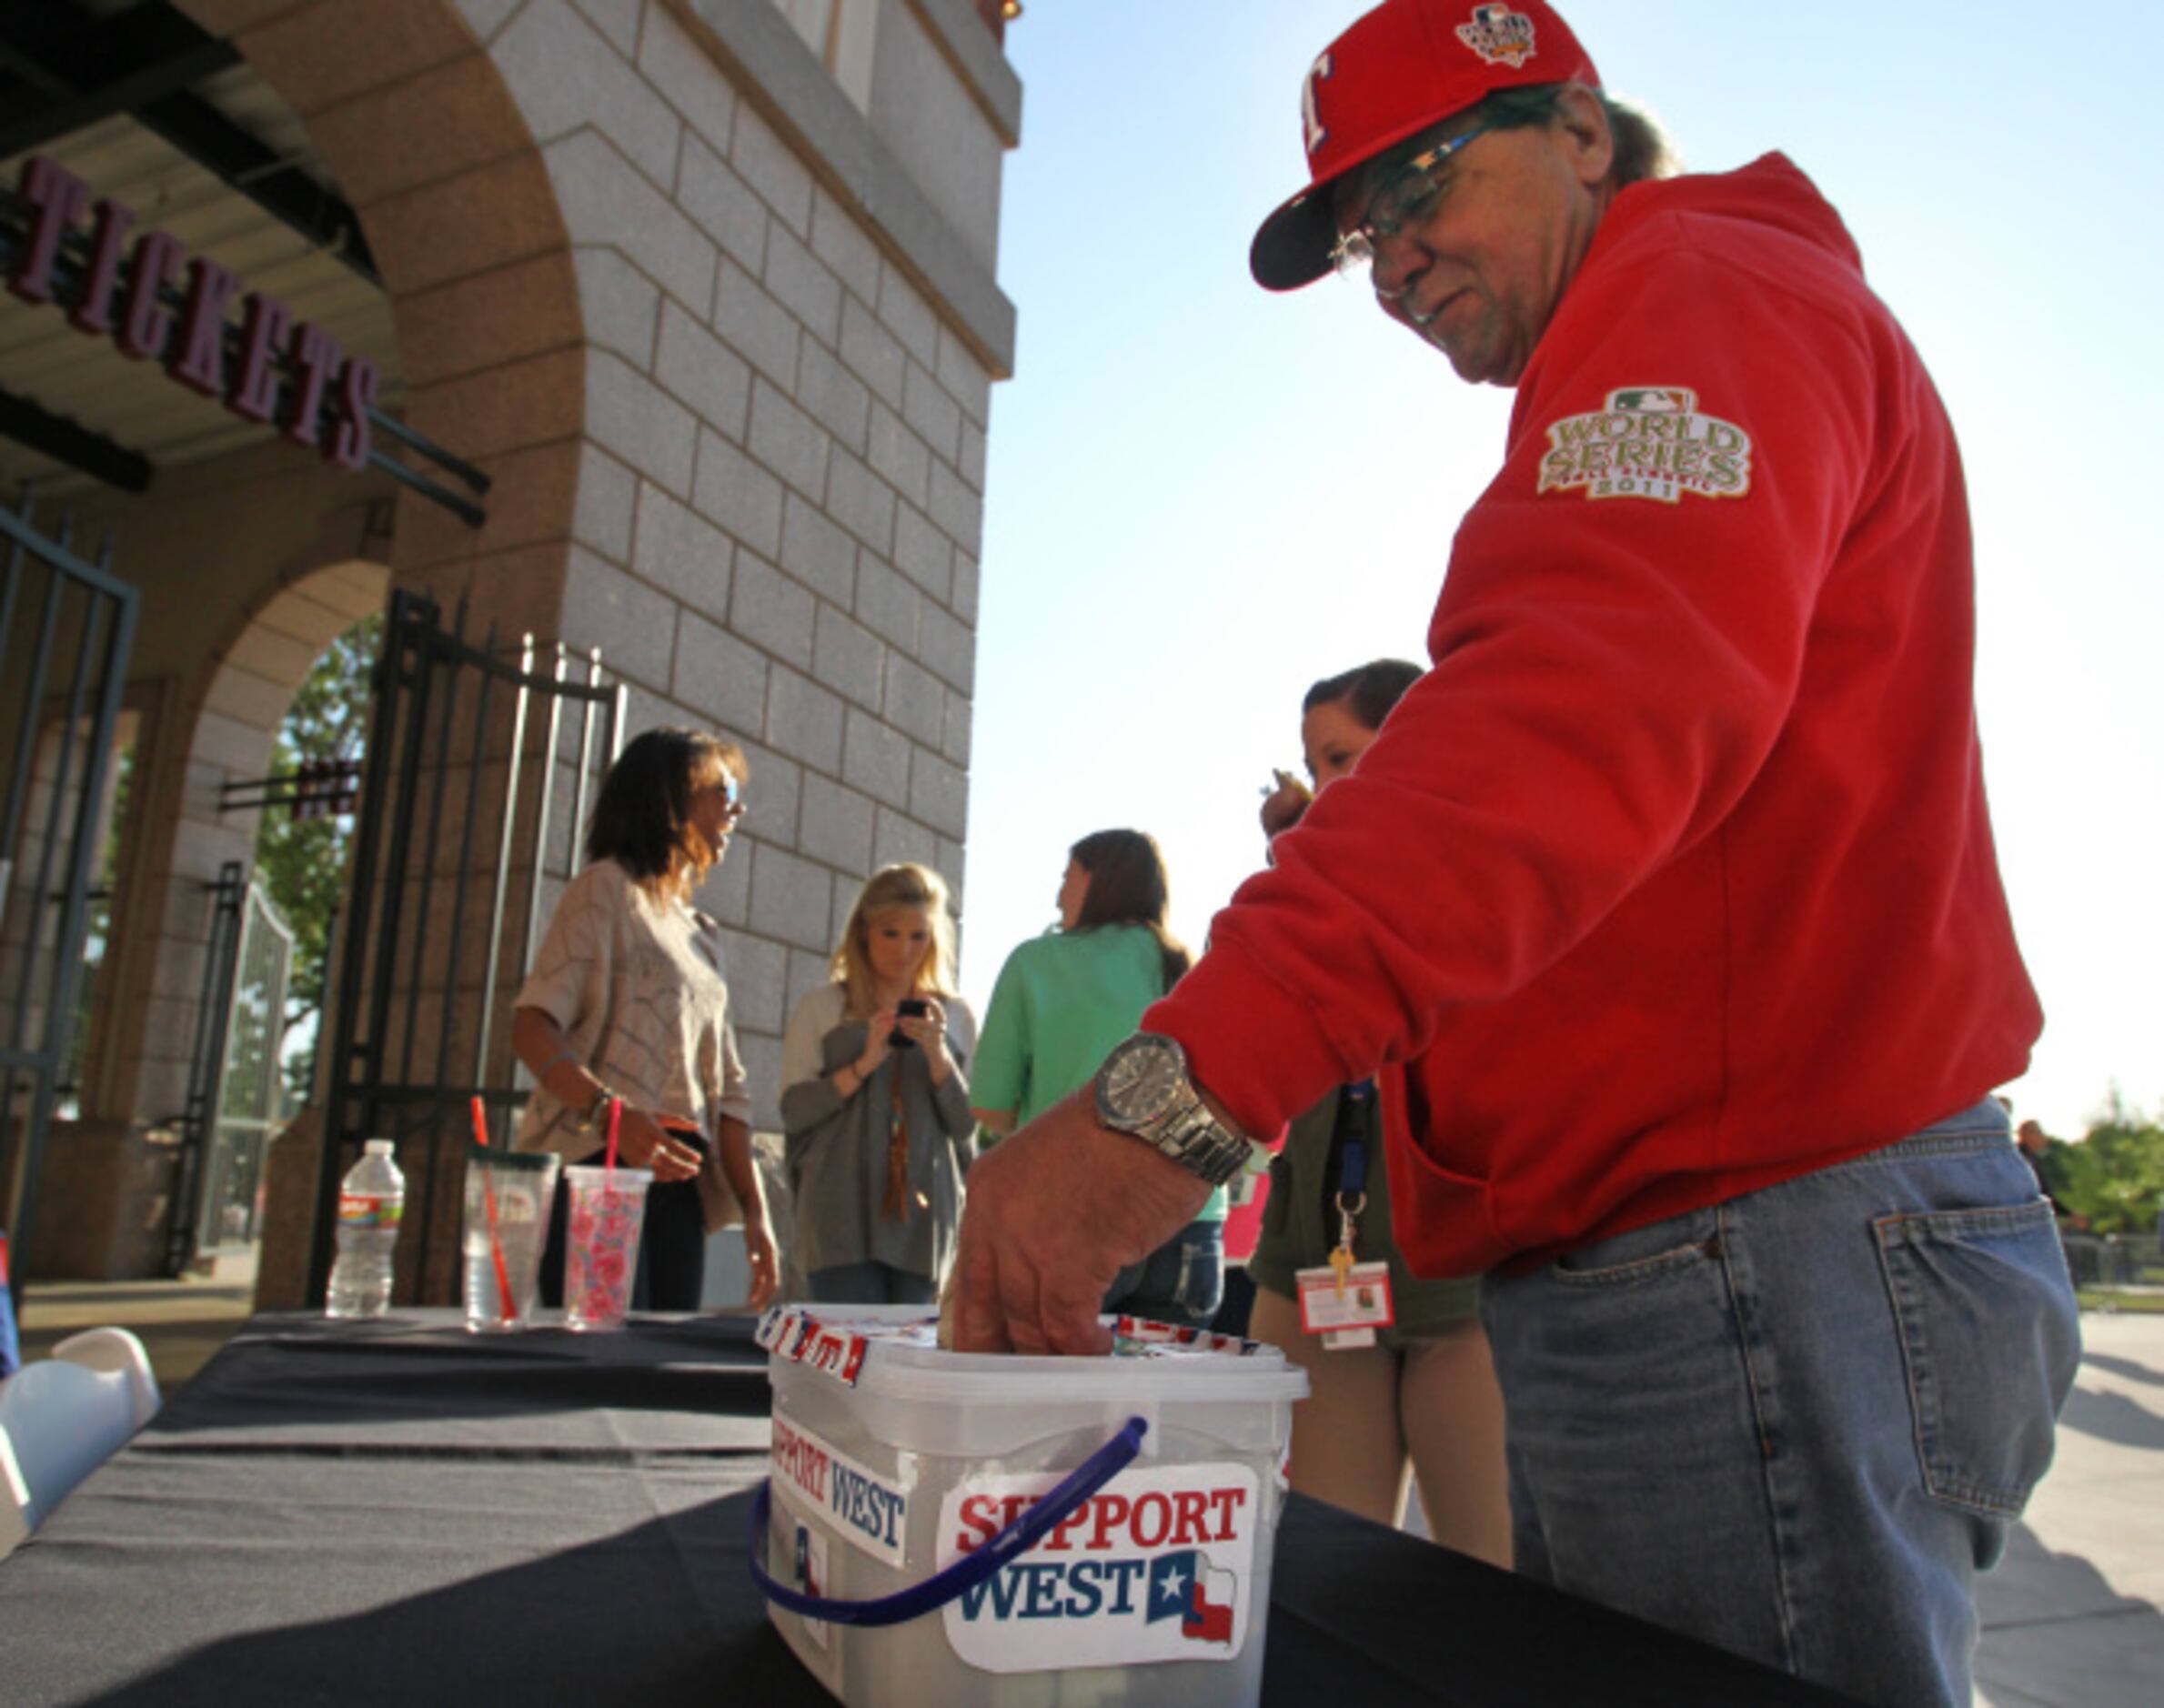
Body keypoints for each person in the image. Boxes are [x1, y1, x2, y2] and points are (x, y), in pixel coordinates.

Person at [951, 5, 2079, 1705]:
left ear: (1579, 133)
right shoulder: (1680, 320)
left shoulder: (1696, 293)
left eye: (1416, 188)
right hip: (1721, 1253)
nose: (1392, 263)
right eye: (1358, 240)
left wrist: (1154, 1116)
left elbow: (1567, 725)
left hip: (1751, 1246)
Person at [1247, 659, 1511, 1564]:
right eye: (1314, 768)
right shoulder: (1302, 893)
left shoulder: (1499, 879)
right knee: (1323, 1577)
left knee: (1494, 1577)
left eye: (1342, 758)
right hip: (1316, 1268)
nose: (1324, 789)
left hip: (1465, 1283)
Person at [512, 727, 777, 1312]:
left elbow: (730, 1094)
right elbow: (532, 1026)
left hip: (680, 1188)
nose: (738, 806)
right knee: (593, 1366)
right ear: (671, 798)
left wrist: (757, 1215)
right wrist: (612, 1117)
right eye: (723, 787)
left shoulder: (704, 936)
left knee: (655, 1368)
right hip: (598, 1174)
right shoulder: (603, 891)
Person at [971, 830, 1222, 1328]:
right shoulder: (1190, 969)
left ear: (1097, 882)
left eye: (1067, 877)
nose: (1058, 894)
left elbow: (989, 1109)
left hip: (1069, 1217)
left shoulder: (1034, 961)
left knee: (1061, 1401)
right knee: (1166, 1404)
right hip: (1189, 1222)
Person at [780, 864, 975, 1305]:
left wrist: (939, 1056)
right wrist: (863, 1064)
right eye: (890, 933)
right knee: (845, 1363)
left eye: (918, 936)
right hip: (839, 1217)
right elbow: (794, 1112)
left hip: (924, 1226)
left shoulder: (956, 1017)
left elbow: (966, 1126)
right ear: (864, 932)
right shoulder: (823, 1007)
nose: (904, 950)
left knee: (911, 1367)